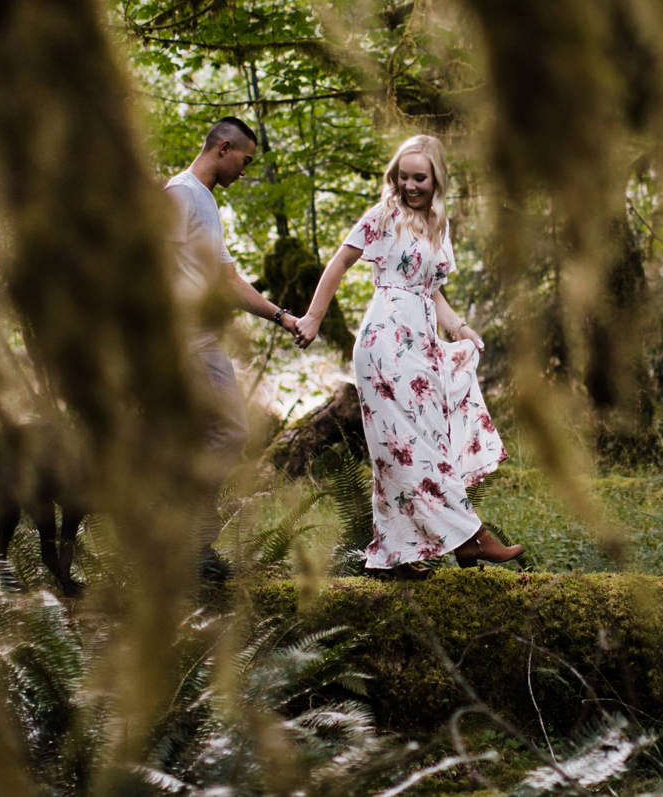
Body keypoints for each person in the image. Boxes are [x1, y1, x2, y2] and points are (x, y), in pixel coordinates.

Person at [295, 133, 522, 570]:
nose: (411, 186)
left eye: (420, 178)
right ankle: (471, 537)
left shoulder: (439, 225)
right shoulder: (384, 215)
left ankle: (396, 554)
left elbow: (433, 293)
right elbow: (338, 263)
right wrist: (313, 318)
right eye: (404, 177)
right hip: (385, 342)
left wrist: (459, 326)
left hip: (422, 344)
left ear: (436, 179)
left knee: (422, 444)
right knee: (406, 447)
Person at [165, 117, 301, 577]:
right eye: (245, 160)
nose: (245, 171)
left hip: (202, 340)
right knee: (228, 431)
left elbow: (229, 281)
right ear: (224, 148)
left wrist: (283, 318)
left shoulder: (202, 201)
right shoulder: (180, 194)